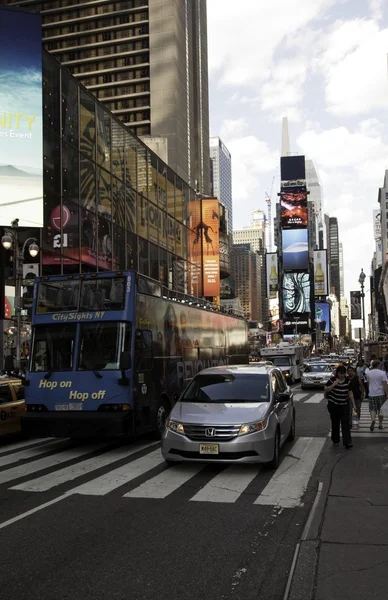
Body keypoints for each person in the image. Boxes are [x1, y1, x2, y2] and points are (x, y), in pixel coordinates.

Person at [324, 365, 357, 448]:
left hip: (344, 405)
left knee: (345, 423)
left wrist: (354, 404)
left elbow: (350, 393)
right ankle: (335, 440)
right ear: (337, 373)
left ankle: (347, 442)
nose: (342, 375)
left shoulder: (348, 381)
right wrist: (334, 385)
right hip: (333, 405)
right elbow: (326, 389)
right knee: (335, 422)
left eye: (343, 374)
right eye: (340, 373)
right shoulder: (332, 380)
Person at [365, 359, 388, 431]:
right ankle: (380, 424)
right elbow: (385, 384)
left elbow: (368, 382)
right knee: (381, 410)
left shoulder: (369, 373)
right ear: (378, 365)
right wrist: (387, 393)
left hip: (372, 394)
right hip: (380, 393)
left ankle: (372, 420)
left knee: (372, 408)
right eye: (380, 364)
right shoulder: (382, 373)